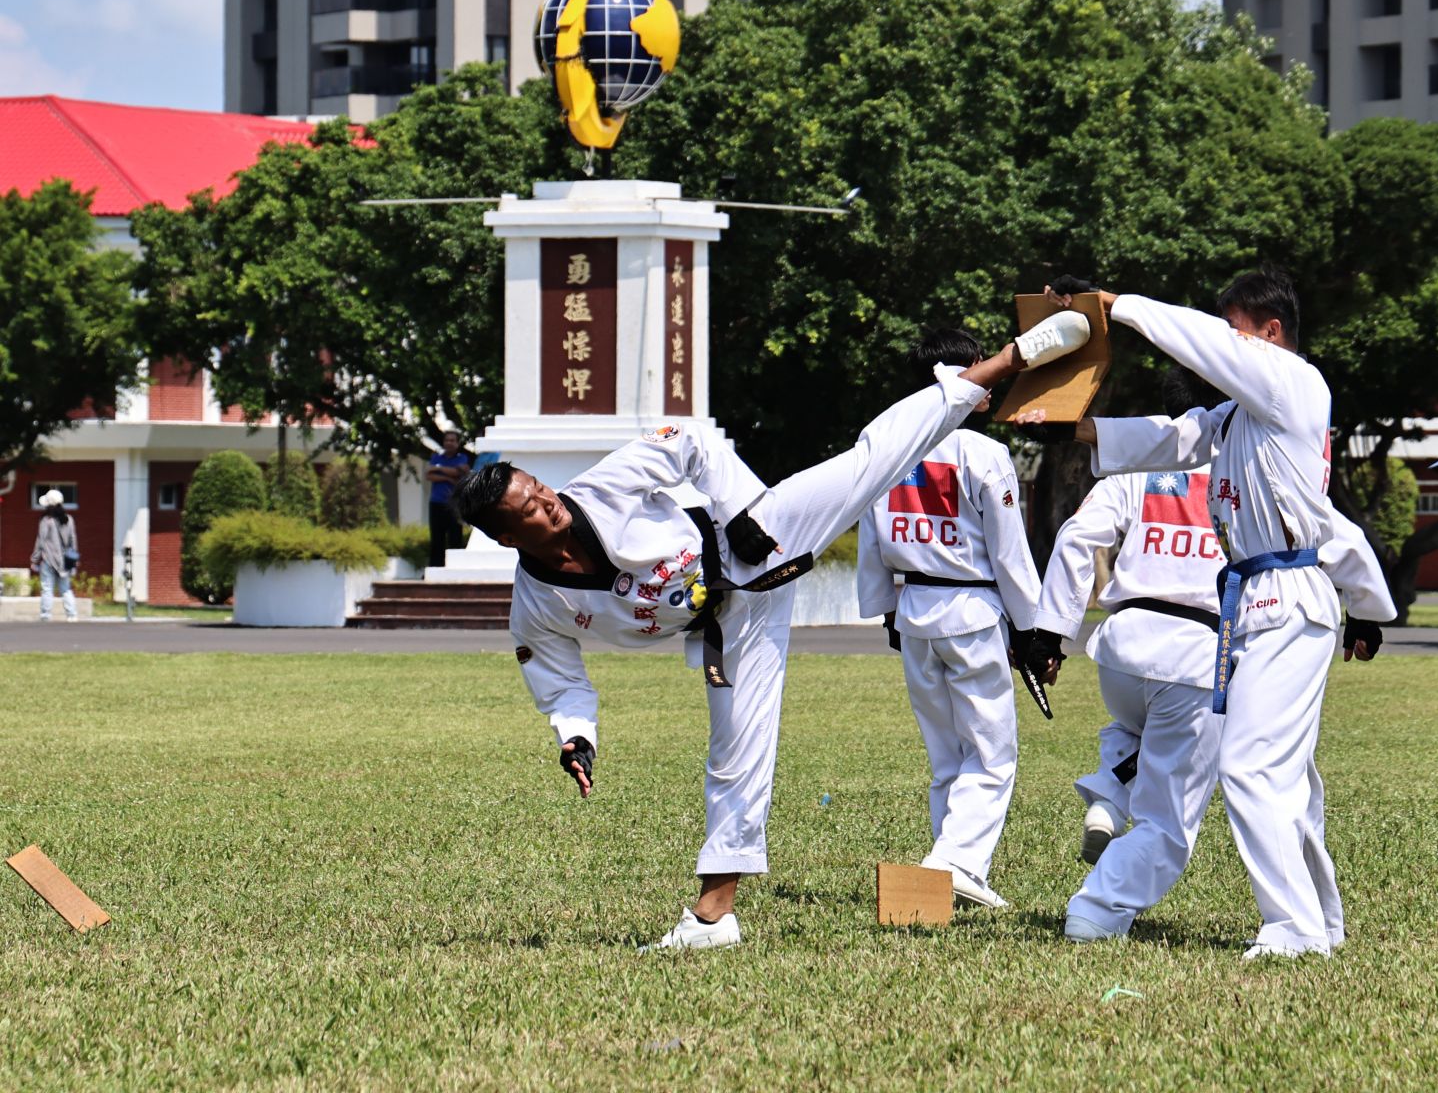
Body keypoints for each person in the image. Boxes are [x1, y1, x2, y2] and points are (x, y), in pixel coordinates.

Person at [450, 309, 1089, 953]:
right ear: (507, 537)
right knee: (735, 757)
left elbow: (691, 442)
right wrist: (577, 737)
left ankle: (1005, 362)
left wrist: (742, 510)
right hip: (729, 625)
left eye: (540, 488)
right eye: (529, 508)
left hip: (751, 539)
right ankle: (712, 919)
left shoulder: (602, 487)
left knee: (872, 462)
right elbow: (558, 680)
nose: (548, 502)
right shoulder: (538, 603)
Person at [1033, 270, 1396, 959]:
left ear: (1271, 333)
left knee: (1252, 767)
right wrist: (1074, 429)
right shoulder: (1239, 418)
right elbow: (1169, 441)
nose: (1224, 344)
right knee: (1284, 775)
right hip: (1258, 603)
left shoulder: (1295, 384)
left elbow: (1200, 345)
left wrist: (1117, 305)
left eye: (1236, 330)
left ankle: (1291, 931)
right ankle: (1318, 921)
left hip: (1286, 599)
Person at [1025, 370, 1228, 943]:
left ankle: (1109, 797)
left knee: (1133, 725)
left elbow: (1075, 538)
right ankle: (1097, 907)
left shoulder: (1137, 468)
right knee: (1169, 820)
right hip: (1195, 655)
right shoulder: (1241, 466)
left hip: (1122, 647)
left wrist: (1051, 633)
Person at [855, 328, 1042, 909]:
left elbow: (868, 535)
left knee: (947, 758)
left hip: (913, 612)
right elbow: (1009, 550)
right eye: (981, 370)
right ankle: (954, 862)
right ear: (959, 376)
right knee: (991, 755)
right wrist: (1033, 627)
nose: (989, 381)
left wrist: (886, 610)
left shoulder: (883, 438)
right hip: (972, 611)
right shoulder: (982, 453)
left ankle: (947, 879)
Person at [425, 430, 473, 568]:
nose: (449, 443)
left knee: (455, 537)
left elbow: (459, 472)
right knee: (436, 538)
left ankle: (454, 568)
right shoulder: (436, 457)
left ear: (458, 443)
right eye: (447, 440)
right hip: (436, 502)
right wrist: (448, 477)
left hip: (454, 504)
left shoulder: (462, 457)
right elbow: (429, 475)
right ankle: (435, 568)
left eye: (452, 440)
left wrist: (438, 469)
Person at [32, 489, 80, 623]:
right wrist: (74, 559)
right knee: (65, 589)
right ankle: (72, 615)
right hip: (64, 562)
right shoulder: (69, 519)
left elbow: (40, 541)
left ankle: (45, 615)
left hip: (48, 560)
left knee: (47, 589)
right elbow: (73, 540)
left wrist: (35, 559)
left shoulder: (46, 520)